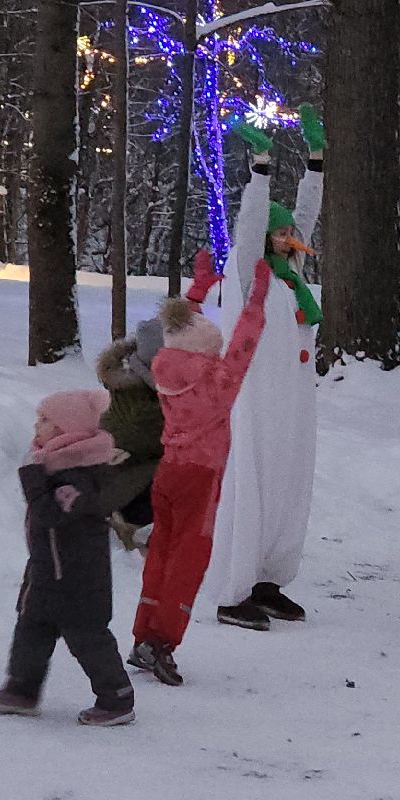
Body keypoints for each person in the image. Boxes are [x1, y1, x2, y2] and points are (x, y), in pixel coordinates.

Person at [127, 250, 273, 686]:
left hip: (168, 472)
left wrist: (197, 292)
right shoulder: (216, 381)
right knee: (189, 560)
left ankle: (143, 634)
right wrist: (256, 302)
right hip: (201, 476)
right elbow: (243, 347)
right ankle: (163, 642)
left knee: (162, 554)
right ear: (208, 352)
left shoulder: (163, 366)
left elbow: (176, 330)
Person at [204, 105, 324, 630]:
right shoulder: (245, 275)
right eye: (281, 233)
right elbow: (253, 222)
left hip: (293, 401)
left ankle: (269, 579)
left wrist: (316, 162)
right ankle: (233, 591)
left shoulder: (292, 278)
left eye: (289, 233)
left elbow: (308, 216)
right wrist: (260, 168)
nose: (288, 237)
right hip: (253, 399)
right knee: (251, 485)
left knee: (289, 485)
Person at [0, 391, 143, 726]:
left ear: (66, 430)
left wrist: (31, 478)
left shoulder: (78, 475)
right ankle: (22, 689)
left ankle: (117, 697)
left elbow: (47, 514)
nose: (36, 426)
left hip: (77, 576)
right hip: (47, 569)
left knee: (86, 635)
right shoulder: (54, 465)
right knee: (32, 625)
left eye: (45, 421)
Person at [96, 315, 166, 550]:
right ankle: (130, 524)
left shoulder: (132, 386)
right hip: (115, 487)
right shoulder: (144, 408)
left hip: (117, 478)